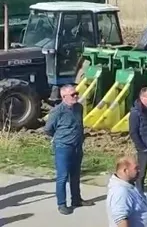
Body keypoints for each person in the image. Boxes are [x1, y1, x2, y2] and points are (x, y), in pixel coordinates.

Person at [44, 84, 93, 214]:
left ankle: (76, 199)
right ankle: (62, 204)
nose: (76, 96)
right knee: (63, 176)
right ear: (63, 96)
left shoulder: (79, 108)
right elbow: (48, 129)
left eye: (76, 93)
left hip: (77, 145)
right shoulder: (57, 111)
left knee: (76, 175)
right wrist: (61, 137)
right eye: (72, 94)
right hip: (63, 147)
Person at [107, 155, 147, 227]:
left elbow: (133, 203)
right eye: (136, 168)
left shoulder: (129, 184)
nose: (139, 170)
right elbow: (121, 221)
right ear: (125, 171)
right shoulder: (120, 192)